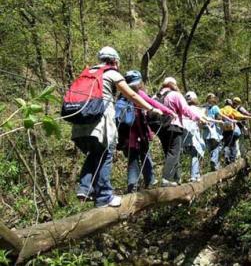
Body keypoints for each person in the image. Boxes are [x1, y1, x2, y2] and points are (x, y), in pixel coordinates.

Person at [72, 47, 163, 207]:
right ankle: (104, 196)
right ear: (115, 60)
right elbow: (133, 95)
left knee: (94, 154)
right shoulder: (112, 73)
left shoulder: (88, 73)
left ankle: (84, 188)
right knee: (106, 155)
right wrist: (151, 108)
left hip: (80, 123)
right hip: (101, 123)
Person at [119, 70, 175, 192]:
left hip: (124, 134)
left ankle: (132, 186)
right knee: (145, 156)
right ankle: (150, 182)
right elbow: (153, 103)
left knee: (132, 159)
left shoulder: (121, 94)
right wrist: (169, 112)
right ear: (139, 82)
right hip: (138, 131)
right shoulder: (138, 93)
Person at [158, 77, 208, 187]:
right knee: (174, 153)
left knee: (169, 153)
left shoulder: (157, 95)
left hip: (161, 128)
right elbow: (185, 109)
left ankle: (176, 178)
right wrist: (198, 118)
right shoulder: (175, 95)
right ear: (173, 84)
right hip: (174, 126)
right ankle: (167, 179)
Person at [182, 91, 207, 182]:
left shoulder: (184, 109)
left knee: (194, 154)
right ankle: (194, 175)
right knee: (196, 154)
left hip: (185, 134)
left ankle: (195, 174)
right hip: (194, 135)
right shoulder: (197, 109)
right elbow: (202, 122)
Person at [220, 99, 251, 164]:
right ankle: (233, 160)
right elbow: (239, 115)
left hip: (224, 130)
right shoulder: (232, 110)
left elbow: (218, 116)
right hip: (232, 129)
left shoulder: (221, 110)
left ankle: (226, 157)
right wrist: (248, 117)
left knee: (226, 144)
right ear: (230, 104)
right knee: (233, 145)